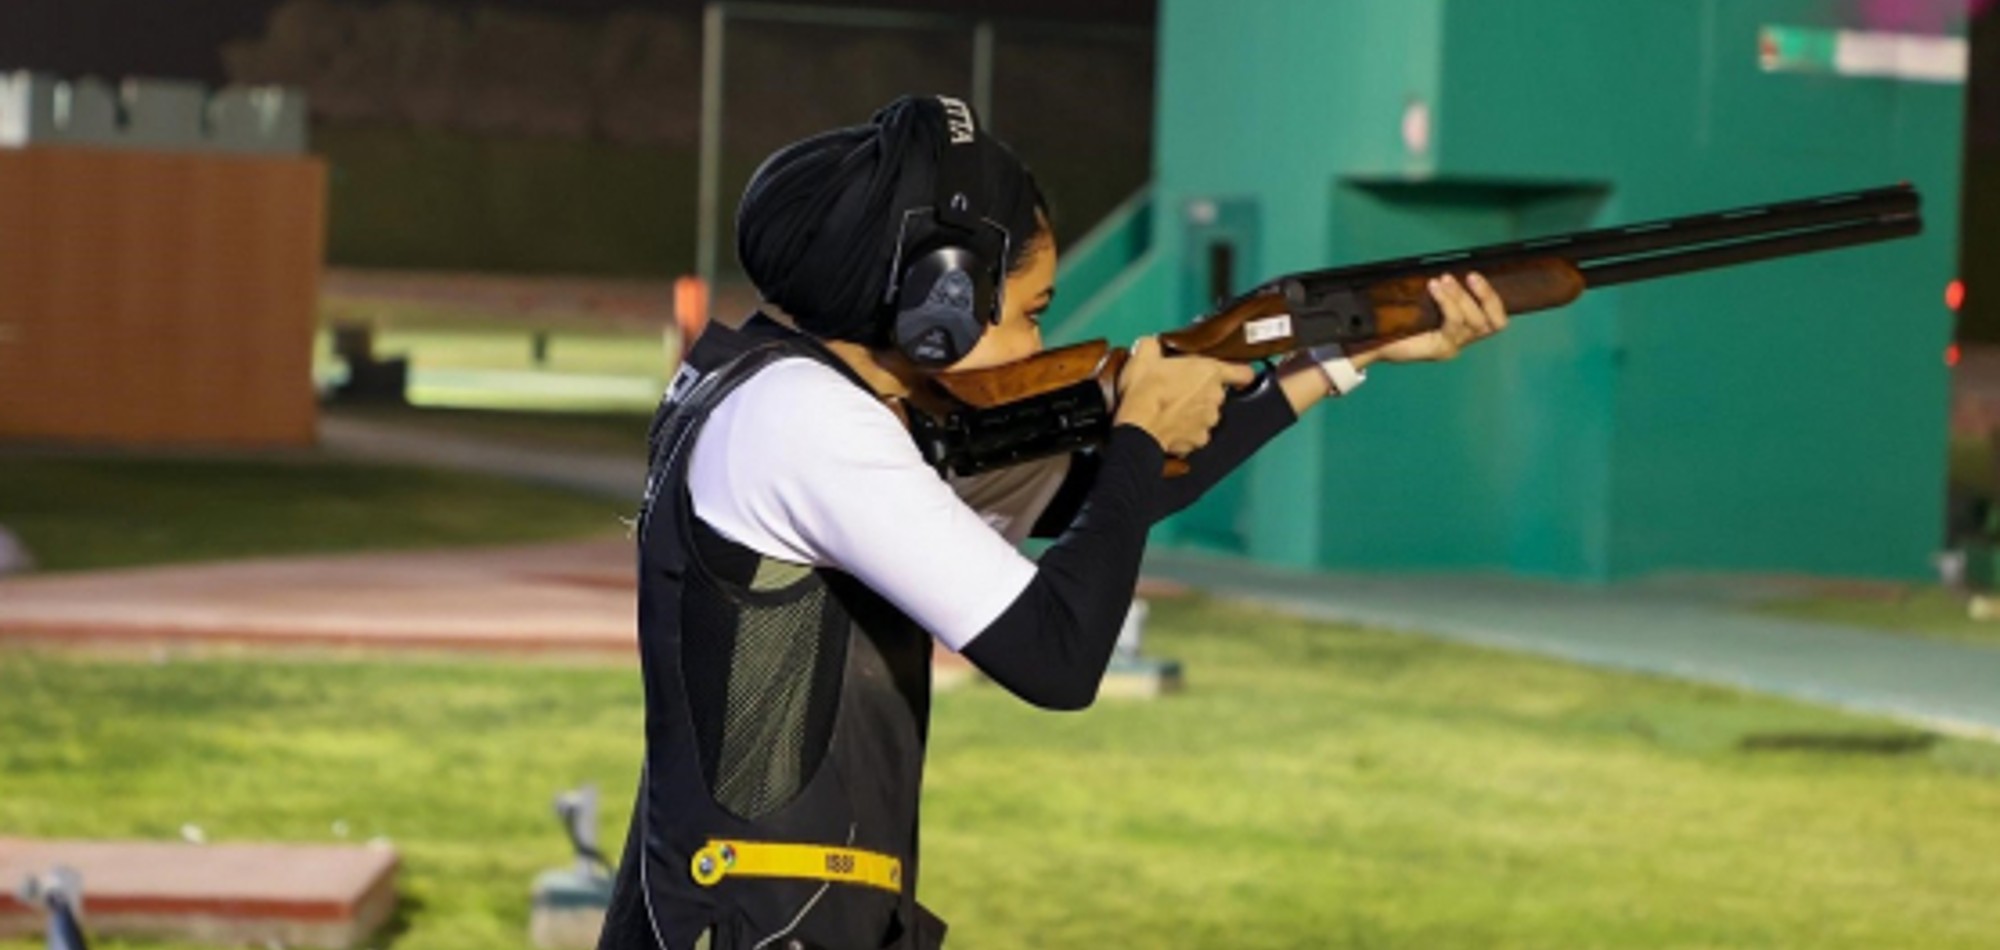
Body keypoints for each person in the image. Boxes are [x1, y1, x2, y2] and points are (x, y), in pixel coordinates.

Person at [597, 94, 1509, 950]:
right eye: (1033, 313)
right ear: (939, 302)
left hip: (755, 915)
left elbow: (1115, 496)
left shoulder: (784, 389)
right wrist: (1141, 427)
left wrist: (1337, 358)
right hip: (764, 922)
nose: (1038, 345)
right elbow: (1057, 656)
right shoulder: (807, 420)